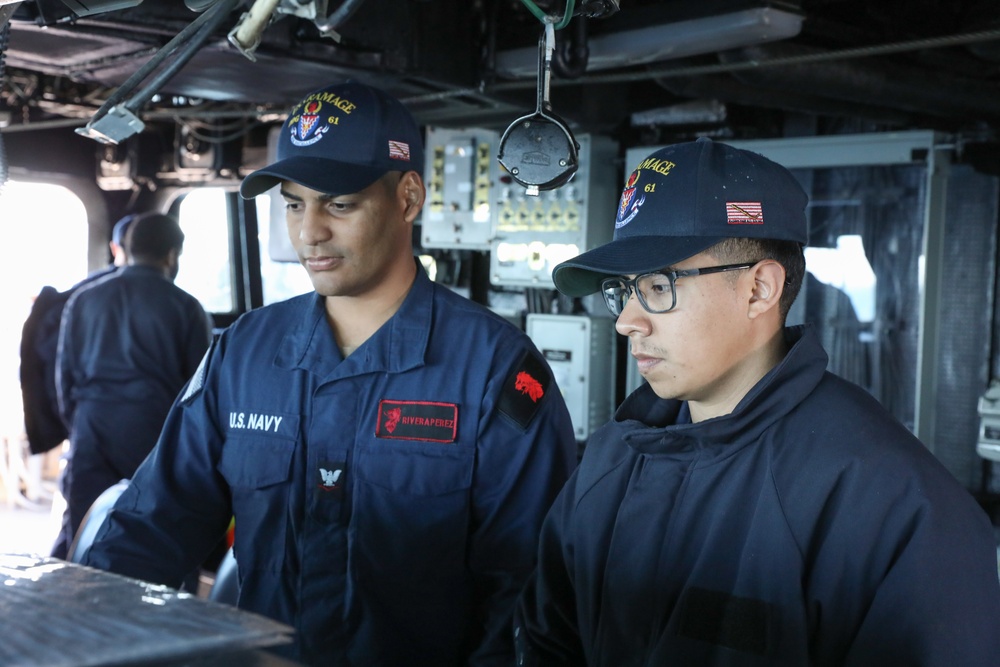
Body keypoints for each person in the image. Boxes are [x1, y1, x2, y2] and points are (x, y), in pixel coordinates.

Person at [82, 80, 578, 666]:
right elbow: (154, 524)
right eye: (294, 203)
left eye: (338, 204)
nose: (309, 232)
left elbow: (526, 598)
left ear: (409, 197)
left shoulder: (493, 369)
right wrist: (87, 636)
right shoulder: (245, 351)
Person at [514, 138, 1000, 665]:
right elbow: (547, 643)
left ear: (759, 290)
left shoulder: (894, 506)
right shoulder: (609, 463)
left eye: (657, 285)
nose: (627, 320)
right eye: (622, 290)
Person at [52, 212, 213, 559]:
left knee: (81, 537)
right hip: (154, 434)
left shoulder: (84, 299)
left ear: (126, 247)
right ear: (172, 254)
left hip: (91, 430)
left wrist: (80, 428)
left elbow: (64, 379)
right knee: (152, 542)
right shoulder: (186, 307)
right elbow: (198, 393)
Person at [20, 214, 135, 457]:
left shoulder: (81, 296)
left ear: (115, 248)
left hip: (91, 427)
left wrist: (75, 423)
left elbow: (59, 369)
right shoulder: (180, 303)